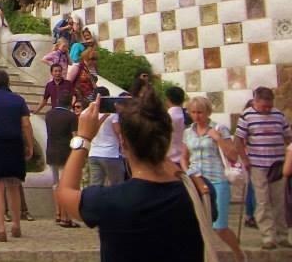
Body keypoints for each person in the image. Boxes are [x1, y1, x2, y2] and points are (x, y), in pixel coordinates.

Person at [57, 92, 203, 262]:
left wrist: (83, 138)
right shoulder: (198, 192)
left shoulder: (110, 200)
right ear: (166, 138)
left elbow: (64, 192)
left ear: (124, 144)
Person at [182, 95, 245, 260]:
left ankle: (238, 253)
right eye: (193, 112)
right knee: (198, 224)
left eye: (200, 112)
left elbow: (232, 155)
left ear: (207, 112)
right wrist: (186, 171)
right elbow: (184, 156)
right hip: (196, 179)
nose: (197, 116)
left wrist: (218, 140)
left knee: (220, 226)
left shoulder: (219, 129)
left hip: (217, 179)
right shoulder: (187, 132)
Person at [0, 70, 34, 242]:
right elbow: (26, 124)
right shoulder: (18, 100)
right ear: (8, 82)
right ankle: (16, 225)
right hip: (14, 144)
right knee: (14, 185)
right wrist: (30, 145)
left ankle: (1, 229)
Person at [235, 86, 292, 250]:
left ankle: (282, 236)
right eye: (263, 106)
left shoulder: (279, 114)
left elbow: (288, 137)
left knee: (279, 201)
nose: (267, 109)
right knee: (262, 201)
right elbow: (238, 140)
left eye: (269, 106)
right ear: (255, 101)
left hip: (278, 164)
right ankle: (268, 237)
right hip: (257, 164)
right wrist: (244, 159)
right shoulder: (247, 115)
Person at [45, 92, 79, 228]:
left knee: (56, 184)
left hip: (51, 150)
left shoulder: (49, 114)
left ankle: (58, 213)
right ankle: (66, 217)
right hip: (65, 152)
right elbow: (75, 136)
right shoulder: (71, 116)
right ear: (70, 102)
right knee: (66, 184)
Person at [87, 87, 125, 187]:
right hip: (110, 154)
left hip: (93, 153)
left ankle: (94, 203)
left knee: (95, 186)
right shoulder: (112, 114)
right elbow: (118, 132)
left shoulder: (88, 112)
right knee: (116, 186)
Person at [166, 86, 188, 168]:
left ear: (167, 99)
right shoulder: (189, 116)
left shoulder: (164, 117)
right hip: (187, 161)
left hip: (169, 161)